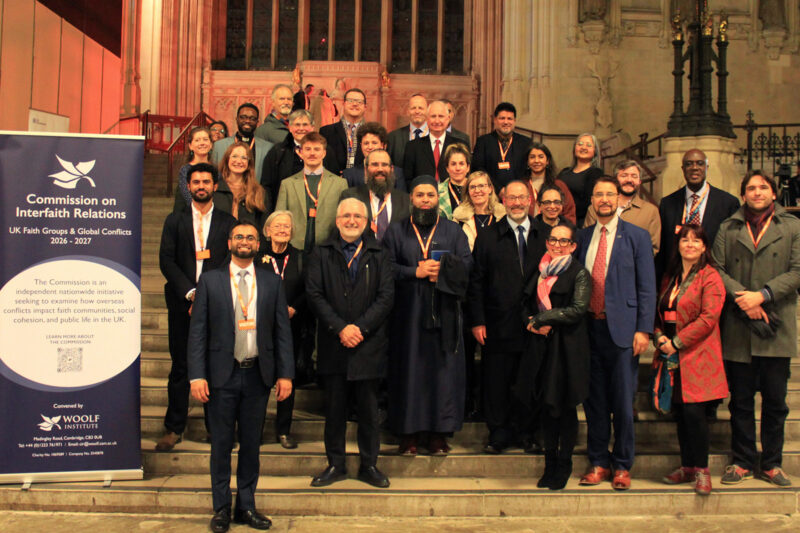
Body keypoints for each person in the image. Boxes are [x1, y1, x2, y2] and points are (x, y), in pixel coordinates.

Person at [188, 222, 294, 533]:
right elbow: (197, 335)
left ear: (257, 243)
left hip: (257, 376)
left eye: (250, 237)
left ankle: (246, 505)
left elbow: (282, 333)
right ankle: (221, 508)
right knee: (221, 445)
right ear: (229, 242)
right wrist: (197, 376)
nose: (244, 242)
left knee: (251, 445)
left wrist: (285, 374)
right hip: (221, 376)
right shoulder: (210, 281)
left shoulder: (272, 282)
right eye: (239, 237)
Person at [712, 171, 800, 488]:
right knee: (741, 401)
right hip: (739, 324)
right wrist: (745, 301)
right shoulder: (729, 227)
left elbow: (798, 271)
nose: (757, 192)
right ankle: (743, 461)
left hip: (776, 324)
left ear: (774, 194)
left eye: (763, 187)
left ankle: (772, 463)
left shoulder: (792, 226)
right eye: (751, 187)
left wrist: (762, 296)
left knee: (776, 402)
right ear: (743, 194)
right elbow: (717, 269)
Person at [306, 198, 395, 488]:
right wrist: (341, 328)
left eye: (357, 215)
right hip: (334, 344)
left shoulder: (380, 252)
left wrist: (360, 328)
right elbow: (315, 294)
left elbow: (386, 297)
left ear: (368, 221)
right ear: (337, 220)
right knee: (334, 411)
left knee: (369, 412)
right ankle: (336, 465)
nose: (352, 220)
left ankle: (369, 465)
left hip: (369, 346)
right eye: (346, 215)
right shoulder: (321, 252)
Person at [576, 176, 656, 490]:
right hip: (589, 330)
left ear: (619, 199)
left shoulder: (636, 236)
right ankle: (598, 462)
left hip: (623, 332)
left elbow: (647, 288)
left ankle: (622, 464)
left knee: (623, 403)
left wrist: (643, 329)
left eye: (610, 193)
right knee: (594, 402)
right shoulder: (582, 238)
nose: (605, 199)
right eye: (599, 194)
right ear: (592, 201)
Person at [383, 176, 473, 455]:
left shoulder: (453, 231)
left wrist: (444, 269)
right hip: (407, 314)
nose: (425, 200)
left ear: (438, 199)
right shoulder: (396, 230)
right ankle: (408, 433)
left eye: (430, 195)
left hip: (444, 311)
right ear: (411, 198)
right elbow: (385, 267)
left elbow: (468, 264)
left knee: (442, 374)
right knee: (410, 372)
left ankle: (438, 433)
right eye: (420, 195)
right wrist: (415, 272)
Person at [156, 163, 237, 452]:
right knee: (180, 366)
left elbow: (231, 261)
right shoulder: (174, 220)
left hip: (216, 305)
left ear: (215, 186)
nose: (201, 186)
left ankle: (216, 429)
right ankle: (174, 427)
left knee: (215, 367)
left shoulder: (228, 223)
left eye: (206, 181)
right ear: (188, 187)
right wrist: (190, 293)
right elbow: (167, 260)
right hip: (181, 303)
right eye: (196, 182)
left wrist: (206, 296)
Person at [469, 180, 547, 454]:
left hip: (535, 325)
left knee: (530, 380)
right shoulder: (489, 236)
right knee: (497, 382)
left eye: (521, 198)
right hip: (497, 324)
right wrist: (477, 320)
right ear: (503, 201)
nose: (516, 203)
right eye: (511, 198)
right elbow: (476, 281)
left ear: (530, 200)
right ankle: (499, 433)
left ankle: (528, 432)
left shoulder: (545, 234)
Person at [656, 224, 727, 496]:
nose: (689, 244)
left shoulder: (710, 277)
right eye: (685, 240)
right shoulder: (670, 277)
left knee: (696, 415)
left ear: (704, 246)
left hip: (697, 353)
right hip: (671, 355)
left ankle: (702, 471)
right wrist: (660, 336)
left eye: (696, 241)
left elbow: (709, 318)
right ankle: (686, 467)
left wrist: (677, 342)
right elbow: (660, 311)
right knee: (681, 414)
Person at [521, 222, 591, 490]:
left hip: (568, 347)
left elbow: (577, 309)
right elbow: (525, 302)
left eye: (564, 241)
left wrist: (541, 318)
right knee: (547, 408)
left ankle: (564, 464)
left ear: (573, 246)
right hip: (542, 346)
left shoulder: (579, 273)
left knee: (564, 408)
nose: (558, 245)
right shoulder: (539, 271)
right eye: (554, 240)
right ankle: (549, 464)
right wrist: (529, 320)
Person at [256, 211, 309, 448]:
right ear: (267, 231)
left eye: (286, 226)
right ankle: (254, 430)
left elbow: (310, 288)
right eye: (277, 226)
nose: (282, 230)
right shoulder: (257, 257)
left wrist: (294, 308)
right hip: (260, 327)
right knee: (259, 379)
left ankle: (284, 430)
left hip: (291, 327)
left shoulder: (300, 257)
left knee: (287, 377)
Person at [658, 148, 739, 279]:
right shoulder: (667, 204)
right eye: (689, 164)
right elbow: (664, 248)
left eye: (700, 163)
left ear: (707, 167)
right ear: (683, 169)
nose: (694, 168)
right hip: (677, 277)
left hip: (714, 277)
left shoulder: (728, 203)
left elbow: (732, 248)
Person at [275, 132, 348, 254]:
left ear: (324, 153)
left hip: (328, 249)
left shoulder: (340, 183)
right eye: (308, 149)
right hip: (295, 248)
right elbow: (279, 219)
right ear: (300, 152)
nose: (312, 153)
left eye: (317, 149)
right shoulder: (287, 184)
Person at [585, 161, 661, 255]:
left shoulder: (650, 211)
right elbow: (587, 240)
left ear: (640, 181)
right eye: (624, 175)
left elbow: (652, 248)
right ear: (615, 180)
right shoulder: (596, 208)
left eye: (634, 176)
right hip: (597, 264)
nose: (629, 180)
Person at [340, 149, 410, 242]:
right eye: (375, 164)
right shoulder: (350, 197)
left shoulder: (405, 200)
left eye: (384, 165)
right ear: (366, 170)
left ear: (392, 169)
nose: (380, 169)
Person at [472, 102, 532, 193]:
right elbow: (478, 169)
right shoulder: (483, 142)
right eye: (502, 118)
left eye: (509, 119)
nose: (506, 122)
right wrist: (498, 189)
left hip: (518, 194)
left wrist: (515, 190)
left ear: (514, 121)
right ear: (495, 120)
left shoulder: (526, 143)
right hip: (490, 194)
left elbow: (528, 171)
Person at [261, 110, 315, 211]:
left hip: (315, 209)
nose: (301, 128)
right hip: (285, 210)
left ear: (312, 128)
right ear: (289, 128)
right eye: (297, 125)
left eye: (305, 124)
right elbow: (266, 187)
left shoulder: (324, 152)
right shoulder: (277, 152)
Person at [211, 103, 274, 185]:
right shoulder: (219, 146)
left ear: (257, 122)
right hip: (227, 194)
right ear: (236, 119)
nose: (247, 121)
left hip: (255, 194)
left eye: (252, 118)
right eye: (243, 117)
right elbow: (214, 175)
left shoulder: (267, 148)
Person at [403, 100, 459, 184]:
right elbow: (408, 179)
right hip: (422, 195)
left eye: (441, 116)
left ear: (447, 119)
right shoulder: (412, 146)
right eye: (433, 116)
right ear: (427, 119)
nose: (437, 121)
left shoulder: (459, 145)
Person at [218, 143, 270, 229]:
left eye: (244, 158)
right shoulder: (215, 188)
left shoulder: (258, 191)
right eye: (234, 156)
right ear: (227, 159)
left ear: (249, 163)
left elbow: (263, 225)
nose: (239, 161)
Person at [452, 170, 506, 251]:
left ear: (490, 189)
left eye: (481, 186)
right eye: (472, 187)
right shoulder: (459, 219)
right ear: (468, 191)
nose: (477, 191)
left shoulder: (502, 216)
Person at [522, 142, 576, 223]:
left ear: (547, 161)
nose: (536, 161)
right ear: (527, 162)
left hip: (555, 233)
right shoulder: (521, 186)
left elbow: (569, 213)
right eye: (532, 157)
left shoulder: (559, 185)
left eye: (541, 157)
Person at [557, 133, 604, 226]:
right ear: (574, 149)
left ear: (595, 151)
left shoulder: (595, 173)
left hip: (579, 223)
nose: (583, 147)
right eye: (580, 144)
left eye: (589, 145)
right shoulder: (564, 172)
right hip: (557, 219)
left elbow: (588, 203)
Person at [343, 122, 406, 190]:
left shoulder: (397, 173)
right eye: (366, 143)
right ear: (361, 145)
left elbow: (401, 198)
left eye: (374, 143)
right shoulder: (349, 174)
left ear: (383, 145)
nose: (370, 147)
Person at [320, 88, 367, 175]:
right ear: (343, 104)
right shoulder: (326, 132)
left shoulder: (372, 133)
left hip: (362, 184)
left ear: (365, 107)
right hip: (334, 183)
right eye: (350, 101)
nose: (355, 104)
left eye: (359, 102)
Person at [174, 126, 213, 212]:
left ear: (211, 145)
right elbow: (188, 197)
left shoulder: (216, 170)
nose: (202, 143)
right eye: (197, 140)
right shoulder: (185, 170)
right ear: (190, 146)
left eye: (205, 139)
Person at [387, 94, 428, 169]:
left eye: (421, 108)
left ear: (427, 111)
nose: (417, 111)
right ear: (408, 111)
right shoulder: (393, 138)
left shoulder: (436, 135)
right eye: (413, 108)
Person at [437, 143, 471, 220]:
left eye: (461, 164)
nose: (457, 168)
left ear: (468, 167)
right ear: (447, 168)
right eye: (453, 164)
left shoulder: (476, 189)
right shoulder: (437, 191)